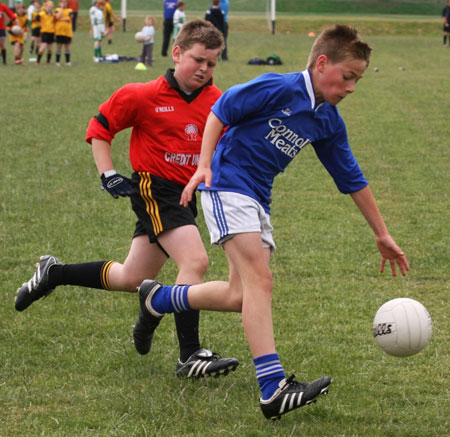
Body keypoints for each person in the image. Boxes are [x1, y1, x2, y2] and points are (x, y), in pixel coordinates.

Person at [134, 24, 410, 420]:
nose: (351, 87)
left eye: (358, 81)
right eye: (348, 76)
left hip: (257, 197)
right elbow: (220, 110)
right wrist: (205, 165)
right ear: (321, 63)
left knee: (240, 296)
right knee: (261, 282)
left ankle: (157, 299)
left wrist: (382, 233)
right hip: (227, 184)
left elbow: (351, 177)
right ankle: (273, 387)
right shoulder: (280, 87)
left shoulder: (327, 119)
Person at [15, 19, 239, 380]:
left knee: (131, 277)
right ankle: (190, 354)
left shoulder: (218, 102)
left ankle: (53, 272)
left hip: (186, 195)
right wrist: (108, 174)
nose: (204, 69)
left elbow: (227, 147)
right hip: (154, 188)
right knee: (194, 262)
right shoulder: (142, 94)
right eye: (198, 60)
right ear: (177, 52)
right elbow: (100, 129)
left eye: (212, 63)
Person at [35, 0, 55, 65]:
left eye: (51, 7)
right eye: (48, 7)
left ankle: (48, 62)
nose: (50, 8)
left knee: (49, 47)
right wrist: (40, 25)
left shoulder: (53, 15)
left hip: (51, 32)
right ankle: (38, 61)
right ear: (45, 7)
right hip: (44, 32)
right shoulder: (42, 14)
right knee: (43, 46)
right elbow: (37, 19)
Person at [8, 1, 27, 65]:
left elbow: (25, 26)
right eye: (20, 8)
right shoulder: (14, 16)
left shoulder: (25, 17)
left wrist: (23, 30)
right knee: (17, 44)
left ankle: (19, 59)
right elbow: (8, 26)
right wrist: (13, 32)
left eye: (23, 8)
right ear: (18, 9)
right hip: (14, 34)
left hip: (20, 34)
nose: (21, 10)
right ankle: (16, 60)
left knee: (22, 47)